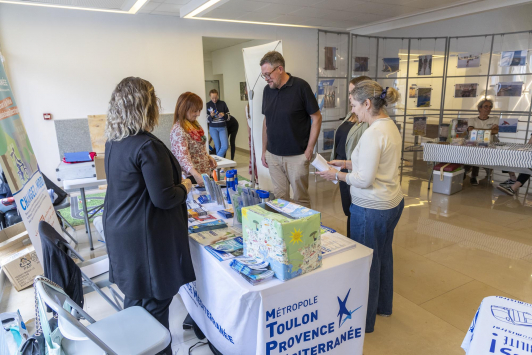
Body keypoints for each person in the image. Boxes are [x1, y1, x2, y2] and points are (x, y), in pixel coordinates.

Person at [102, 77, 195, 355]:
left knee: (135, 301)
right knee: (155, 306)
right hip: (144, 238)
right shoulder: (146, 147)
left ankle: (133, 348)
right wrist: (186, 186)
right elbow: (164, 198)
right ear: (146, 106)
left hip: (121, 230)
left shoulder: (114, 142)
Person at [316, 80, 404, 334]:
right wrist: (345, 163)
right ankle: (382, 307)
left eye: (355, 105)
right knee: (383, 256)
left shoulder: (372, 132)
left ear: (367, 103)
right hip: (391, 203)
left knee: (366, 263)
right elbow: (376, 164)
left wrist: (336, 175)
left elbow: (364, 180)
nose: (353, 111)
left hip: (370, 208)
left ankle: (363, 321)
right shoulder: (389, 127)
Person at [260, 51, 322, 208]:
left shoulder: (301, 87)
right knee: (280, 199)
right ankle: (285, 231)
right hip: (273, 155)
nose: (266, 79)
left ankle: (302, 231)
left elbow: (316, 117)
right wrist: (264, 150)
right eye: (264, 75)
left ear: (280, 69)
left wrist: (309, 149)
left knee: (301, 199)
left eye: (268, 74)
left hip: (297, 155)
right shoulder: (267, 90)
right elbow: (266, 121)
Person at [329, 75, 371, 237]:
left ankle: (357, 245)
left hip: (354, 170)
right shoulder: (351, 114)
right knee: (349, 210)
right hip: (343, 167)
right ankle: (352, 241)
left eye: (353, 92)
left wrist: (346, 165)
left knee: (356, 211)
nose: (349, 97)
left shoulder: (368, 121)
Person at [171, 92, 217, 185]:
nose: (198, 114)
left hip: (202, 174)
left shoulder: (194, 125)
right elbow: (183, 158)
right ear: (184, 109)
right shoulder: (179, 130)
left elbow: (196, 149)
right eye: (195, 111)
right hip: (192, 178)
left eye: (199, 110)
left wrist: (208, 157)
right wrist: (196, 176)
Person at [465, 99, 498, 186]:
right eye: (485, 106)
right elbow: (471, 130)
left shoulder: (495, 119)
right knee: (474, 151)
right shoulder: (472, 120)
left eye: (490, 107)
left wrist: (478, 131)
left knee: (477, 152)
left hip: (488, 144)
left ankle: (470, 174)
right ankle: (469, 173)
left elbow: (495, 131)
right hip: (474, 144)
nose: (488, 109)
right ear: (480, 108)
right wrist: (489, 130)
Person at [207, 89, 229, 157]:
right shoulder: (207, 105)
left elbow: (229, 117)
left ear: (218, 96)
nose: (214, 99)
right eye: (212, 98)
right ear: (210, 97)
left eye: (216, 97)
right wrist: (211, 116)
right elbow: (207, 120)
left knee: (225, 146)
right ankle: (219, 166)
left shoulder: (223, 103)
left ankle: (216, 161)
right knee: (218, 146)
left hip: (222, 127)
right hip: (213, 128)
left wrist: (224, 115)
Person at [246, 101, 258, 183]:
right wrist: (249, 136)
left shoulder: (258, 106)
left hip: (259, 134)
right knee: (252, 156)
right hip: (252, 134)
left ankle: (258, 177)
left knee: (258, 157)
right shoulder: (247, 107)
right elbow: (248, 123)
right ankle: (252, 176)